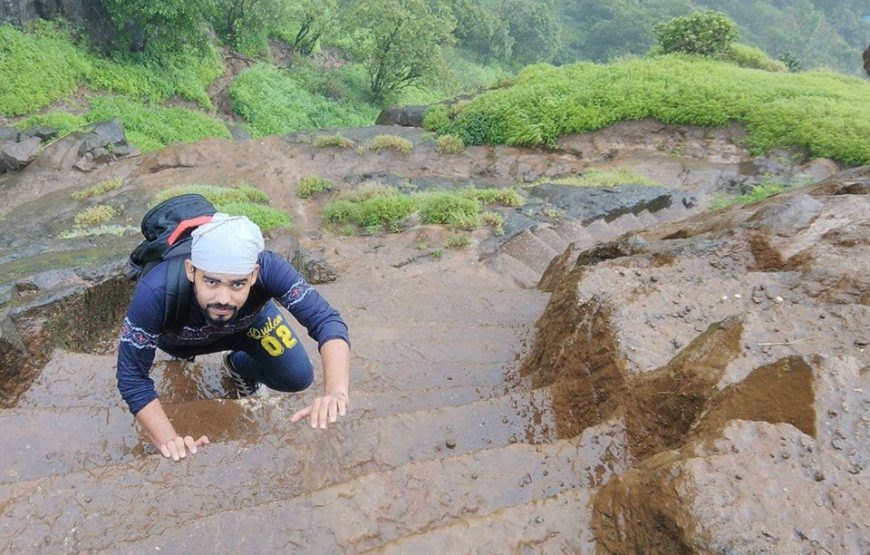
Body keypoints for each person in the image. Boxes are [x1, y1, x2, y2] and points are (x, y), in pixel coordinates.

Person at [116, 213, 350, 461]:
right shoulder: (156, 290)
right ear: (190, 270)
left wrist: (336, 391)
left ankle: (238, 365)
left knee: (298, 377)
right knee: (177, 349)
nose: (223, 298)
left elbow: (326, 320)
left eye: (237, 284)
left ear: (254, 275)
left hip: (249, 327)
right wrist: (169, 440)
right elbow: (131, 374)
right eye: (211, 282)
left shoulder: (271, 269)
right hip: (182, 340)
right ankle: (188, 353)